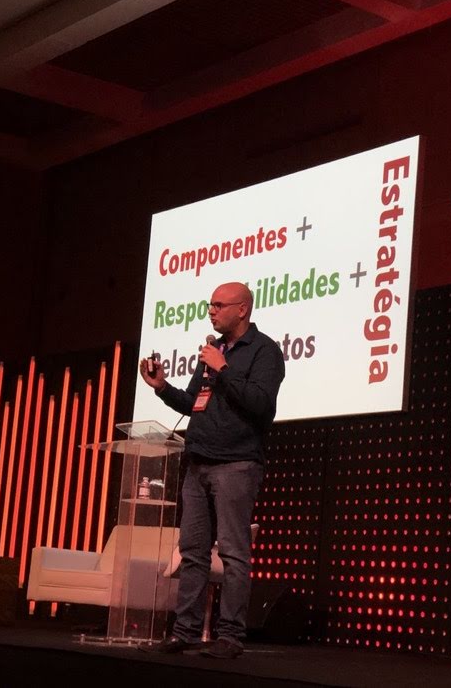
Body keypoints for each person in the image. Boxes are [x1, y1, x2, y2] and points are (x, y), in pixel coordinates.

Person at [138, 281, 285, 658]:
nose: (211, 312)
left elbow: (261, 404)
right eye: (210, 305)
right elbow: (194, 402)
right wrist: (162, 387)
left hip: (237, 463)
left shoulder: (265, 351)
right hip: (198, 461)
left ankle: (230, 637)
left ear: (242, 309)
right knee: (193, 552)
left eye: (219, 305)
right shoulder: (214, 351)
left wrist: (225, 370)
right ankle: (185, 631)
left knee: (233, 554)